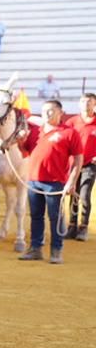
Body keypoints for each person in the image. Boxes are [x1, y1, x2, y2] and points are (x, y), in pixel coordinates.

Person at [19, 100, 83, 265]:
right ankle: (35, 248)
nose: (47, 113)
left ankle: (56, 250)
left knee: (55, 217)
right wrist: (19, 140)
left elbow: (78, 159)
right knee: (36, 216)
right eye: (45, 110)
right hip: (33, 180)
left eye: (52, 110)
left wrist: (71, 182)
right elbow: (24, 149)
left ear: (60, 112)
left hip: (55, 182)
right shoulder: (35, 131)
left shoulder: (69, 133)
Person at [71, 93, 96, 242]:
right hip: (73, 164)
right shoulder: (73, 121)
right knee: (73, 193)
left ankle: (83, 227)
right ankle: (71, 225)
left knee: (85, 195)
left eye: (89, 101)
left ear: (94, 104)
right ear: (79, 104)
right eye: (83, 101)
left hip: (90, 164)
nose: (86, 104)